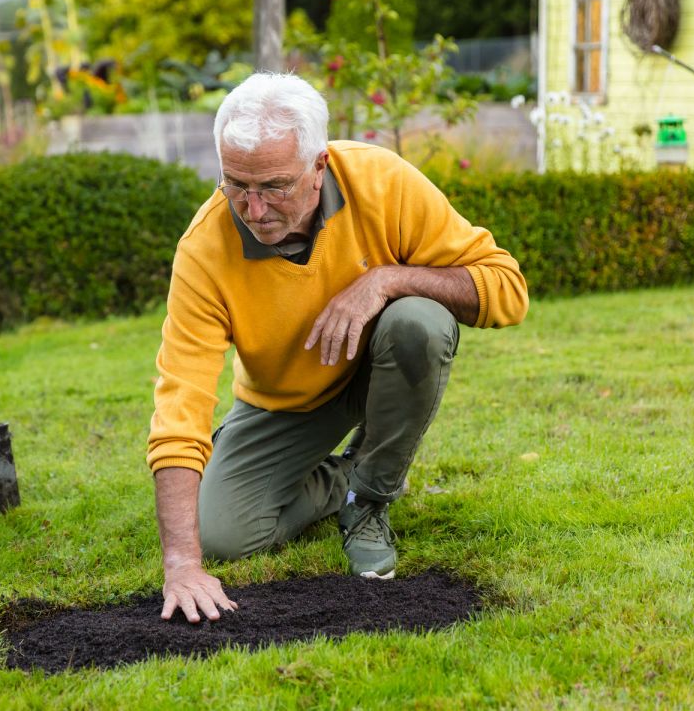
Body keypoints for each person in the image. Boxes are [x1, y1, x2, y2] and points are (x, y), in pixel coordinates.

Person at [147, 73, 529, 623]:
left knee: (418, 321)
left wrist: (387, 281)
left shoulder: (381, 181)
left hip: (378, 367)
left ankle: (369, 499)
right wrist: (182, 562)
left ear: (318, 166)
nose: (253, 210)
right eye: (236, 185)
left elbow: (506, 290)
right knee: (224, 535)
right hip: (284, 401)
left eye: (275, 186)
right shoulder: (205, 250)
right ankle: (343, 475)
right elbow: (179, 402)